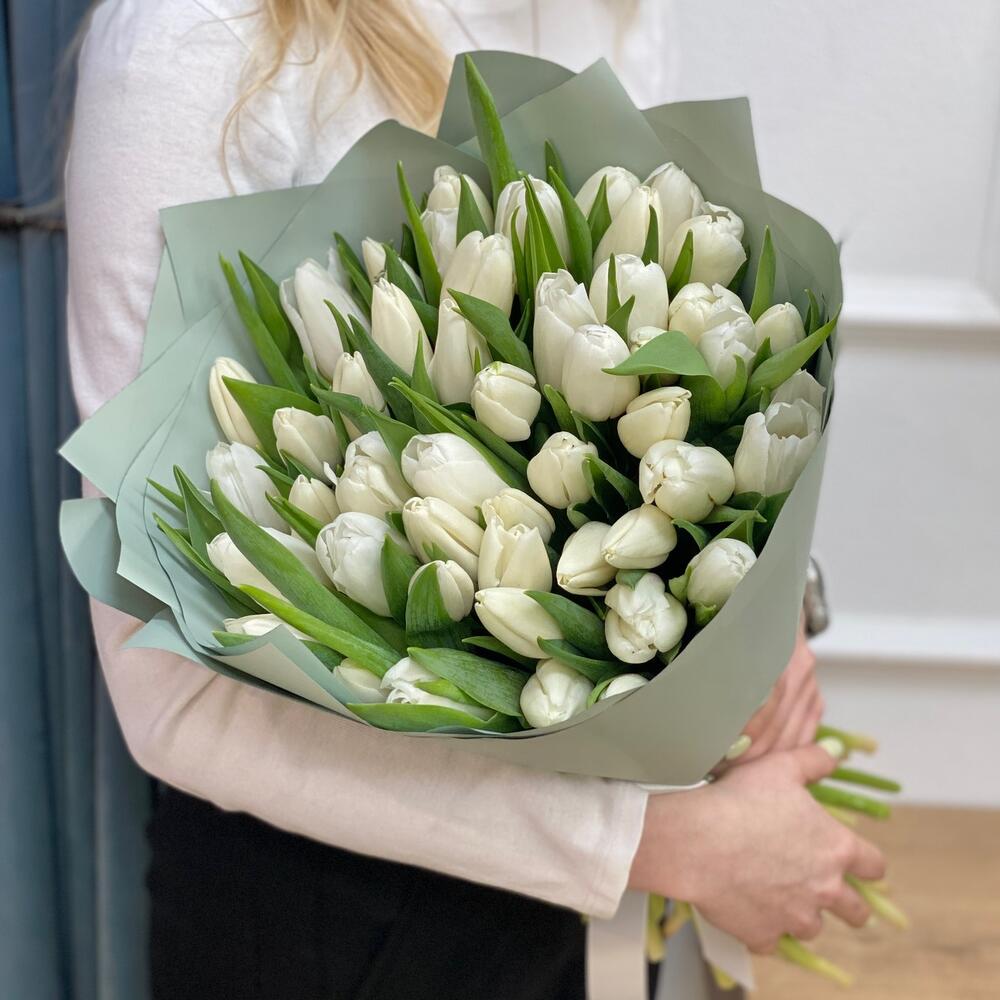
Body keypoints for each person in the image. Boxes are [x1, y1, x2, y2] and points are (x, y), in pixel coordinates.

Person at [66, 2, 886, 997]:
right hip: (345, 923)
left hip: (599, 885)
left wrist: (761, 613)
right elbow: (174, 694)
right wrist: (657, 843)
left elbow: (666, 361)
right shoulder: (196, 41)